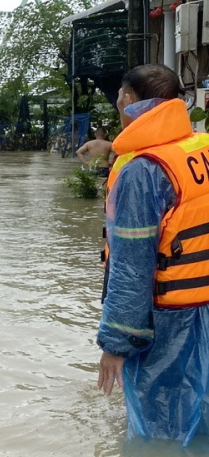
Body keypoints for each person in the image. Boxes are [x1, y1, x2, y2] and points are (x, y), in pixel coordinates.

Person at [96, 64, 209, 445]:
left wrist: (116, 344)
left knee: (161, 431)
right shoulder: (202, 148)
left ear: (127, 100)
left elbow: (131, 268)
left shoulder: (143, 171)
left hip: (168, 323)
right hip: (205, 307)